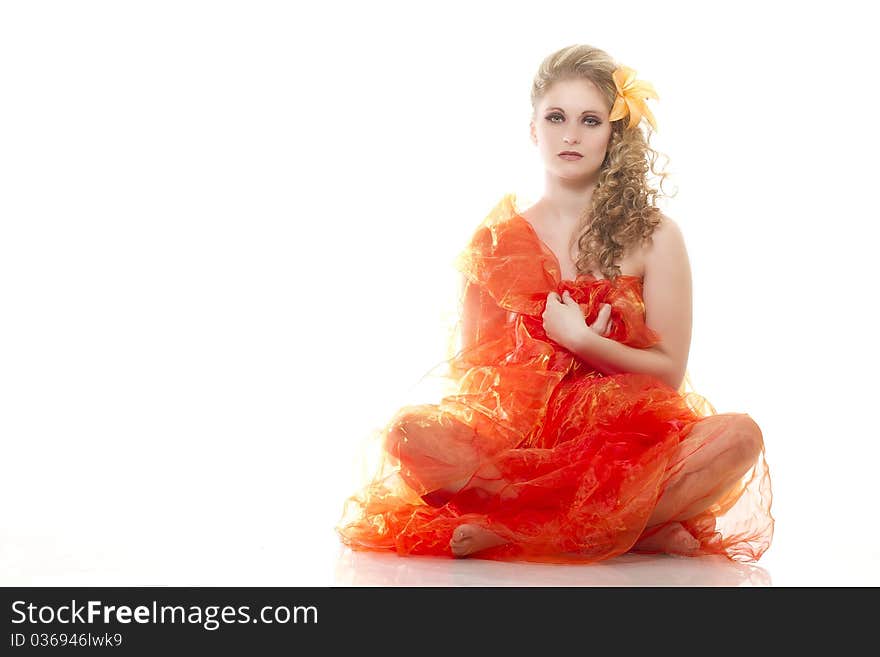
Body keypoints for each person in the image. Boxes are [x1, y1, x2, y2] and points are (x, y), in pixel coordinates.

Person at [336, 44, 774, 563]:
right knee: (410, 436)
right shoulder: (497, 242)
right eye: (556, 117)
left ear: (614, 135)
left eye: (590, 120)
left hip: (631, 440)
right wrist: (529, 432)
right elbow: (478, 378)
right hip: (525, 444)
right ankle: (634, 526)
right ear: (533, 129)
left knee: (739, 437)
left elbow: (668, 375)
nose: (570, 135)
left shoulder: (656, 237)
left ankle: (522, 530)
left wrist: (582, 341)